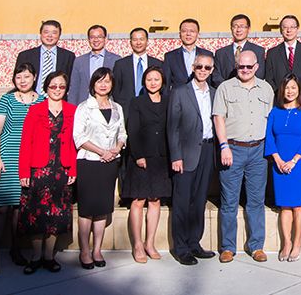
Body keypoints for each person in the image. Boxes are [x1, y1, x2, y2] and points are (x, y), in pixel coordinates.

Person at [0, 62, 43, 275]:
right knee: (2, 208)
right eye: (18, 77)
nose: (23, 80)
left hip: (30, 160)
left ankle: (15, 250)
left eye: (26, 76)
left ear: (34, 77)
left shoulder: (42, 100)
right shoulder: (7, 99)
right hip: (6, 157)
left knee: (19, 208)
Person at [213, 50, 275, 263]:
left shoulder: (266, 89)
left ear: (256, 67)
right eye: (242, 66)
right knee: (229, 201)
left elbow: (271, 120)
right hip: (232, 149)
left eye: (250, 66)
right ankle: (228, 247)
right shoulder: (225, 88)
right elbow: (218, 118)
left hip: (259, 150)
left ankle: (256, 246)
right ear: (236, 66)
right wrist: (223, 146)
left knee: (256, 201)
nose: (246, 70)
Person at [17, 71, 77, 274]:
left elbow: (75, 143)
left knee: (56, 214)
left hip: (62, 169)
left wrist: (73, 169)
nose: (57, 90)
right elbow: (26, 143)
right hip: (38, 169)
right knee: (37, 213)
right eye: (53, 86)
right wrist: (24, 171)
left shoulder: (72, 110)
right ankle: (35, 257)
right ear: (46, 88)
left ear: (66, 89)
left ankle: (49, 256)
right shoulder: (35, 111)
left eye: (61, 86)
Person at [73, 67, 126, 269]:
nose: (103, 85)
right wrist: (101, 151)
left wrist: (116, 148)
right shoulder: (84, 108)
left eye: (107, 81)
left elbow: (123, 133)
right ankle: (85, 251)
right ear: (93, 85)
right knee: (87, 209)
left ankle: (97, 250)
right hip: (89, 162)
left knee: (103, 208)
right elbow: (79, 137)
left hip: (110, 162)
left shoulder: (117, 107)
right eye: (99, 81)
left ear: (112, 84)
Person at [168, 54, 219, 265]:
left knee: (199, 201)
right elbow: (172, 127)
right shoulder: (180, 92)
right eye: (199, 66)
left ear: (212, 70)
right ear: (193, 67)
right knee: (182, 202)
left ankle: (194, 243)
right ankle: (181, 248)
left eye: (207, 67)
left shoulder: (215, 93)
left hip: (208, 151)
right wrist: (176, 156)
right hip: (186, 153)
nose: (203, 70)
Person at [264, 75, 301, 262]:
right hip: (279, 163)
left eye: (293, 87)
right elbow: (269, 137)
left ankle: (297, 242)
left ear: (298, 90)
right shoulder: (275, 112)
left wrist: (294, 160)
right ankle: (286, 242)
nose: (289, 91)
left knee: (298, 206)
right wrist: (277, 159)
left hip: (299, 164)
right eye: (286, 87)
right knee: (285, 205)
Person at [122, 66, 169, 263]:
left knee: (155, 200)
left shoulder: (168, 101)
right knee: (138, 200)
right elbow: (132, 129)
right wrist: (138, 155)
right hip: (141, 158)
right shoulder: (137, 102)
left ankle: (150, 243)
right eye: (149, 79)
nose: (152, 82)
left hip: (161, 158)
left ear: (162, 82)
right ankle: (138, 244)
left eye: (156, 79)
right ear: (144, 81)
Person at [266, 15, 301, 103]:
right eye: (285, 27)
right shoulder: (272, 53)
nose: (288, 30)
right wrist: (281, 96)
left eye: (292, 27)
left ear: (297, 29)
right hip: (280, 102)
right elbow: (269, 79)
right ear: (280, 30)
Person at [16, 20, 76, 96]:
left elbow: (72, 81)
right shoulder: (25, 56)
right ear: (40, 34)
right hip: (31, 99)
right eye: (46, 32)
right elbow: (17, 78)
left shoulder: (68, 56)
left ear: (59, 35)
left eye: (54, 33)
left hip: (58, 101)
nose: (50, 36)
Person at [68, 25, 120, 105]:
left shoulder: (116, 60)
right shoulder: (79, 61)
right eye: (92, 37)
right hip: (85, 105)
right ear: (88, 40)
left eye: (99, 37)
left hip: (108, 105)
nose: (96, 40)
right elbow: (74, 88)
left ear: (105, 39)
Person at [113, 27, 163, 108]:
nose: (138, 42)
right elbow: (115, 89)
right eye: (135, 39)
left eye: (141, 39)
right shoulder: (120, 64)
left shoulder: (158, 64)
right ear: (130, 42)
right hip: (127, 109)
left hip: (152, 108)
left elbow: (163, 88)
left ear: (147, 41)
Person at [213, 14, 266, 86]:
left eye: (242, 26)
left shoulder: (258, 51)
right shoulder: (221, 53)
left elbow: (260, 74)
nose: (238, 30)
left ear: (249, 29)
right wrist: (228, 88)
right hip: (227, 92)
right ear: (231, 29)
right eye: (235, 26)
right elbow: (216, 76)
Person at [164, 18, 213, 88]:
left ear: (198, 34)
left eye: (192, 31)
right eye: (184, 31)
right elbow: (166, 84)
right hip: (178, 97)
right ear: (179, 34)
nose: (188, 34)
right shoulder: (170, 57)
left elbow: (210, 81)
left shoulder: (207, 55)